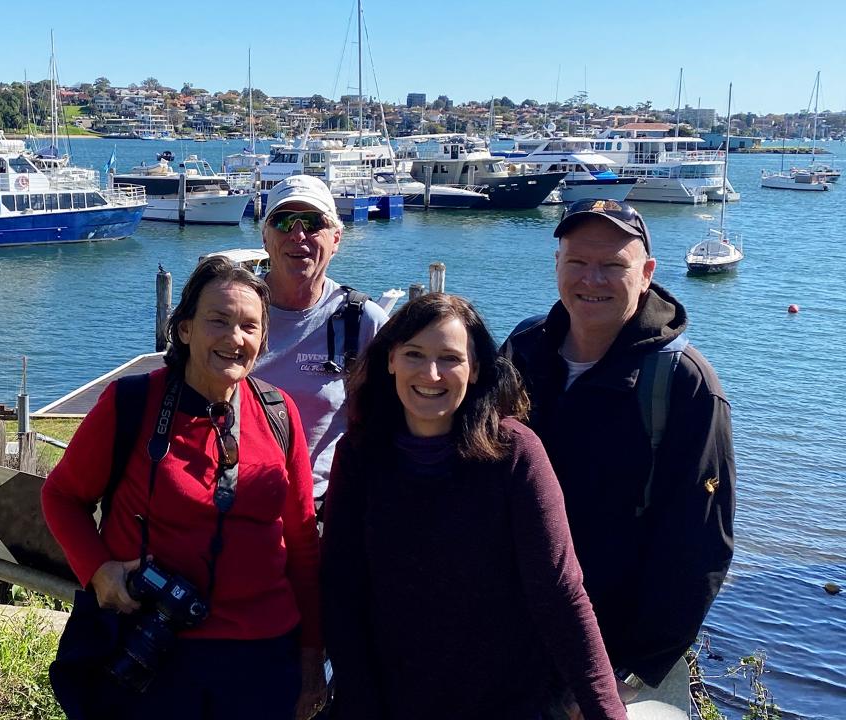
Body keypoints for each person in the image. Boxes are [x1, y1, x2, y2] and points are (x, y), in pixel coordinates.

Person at [42, 257, 326, 720]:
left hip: (262, 658)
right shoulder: (131, 405)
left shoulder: (280, 414)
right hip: (151, 649)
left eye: (249, 327)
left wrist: (312, 656)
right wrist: (97, 571)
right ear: (186, 329)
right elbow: (61, 496)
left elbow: (301, 543)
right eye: (219, 320)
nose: (235, 338)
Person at [321, 293, 627, 720]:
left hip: (504, 700)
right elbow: (341, 585)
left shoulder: (515, 452)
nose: (431, 373)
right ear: (390, 360)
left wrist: (605, 709)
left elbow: (559, 592)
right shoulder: (360, 453)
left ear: (476, 368)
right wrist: (359, 697)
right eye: (414, 354)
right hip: (389, 698)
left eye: (450, 358)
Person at [503, 198, 736, 700]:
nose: (593, 280)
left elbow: (699, 547)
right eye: (578, 263)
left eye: (613, 265)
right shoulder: (522, 351)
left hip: (605, 656)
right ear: (557, 266)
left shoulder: (683, 383)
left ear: (647, 273)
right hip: (509, 636)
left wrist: (631, 673)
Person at [253, 174, 389, 505]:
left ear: (336, 238)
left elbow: (395, 418)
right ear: (265, 237)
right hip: (235, 507)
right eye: (283, 221)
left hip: (322, 510)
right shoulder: (233, 310)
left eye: (313, 223)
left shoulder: (363, 320)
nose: (298, 234)